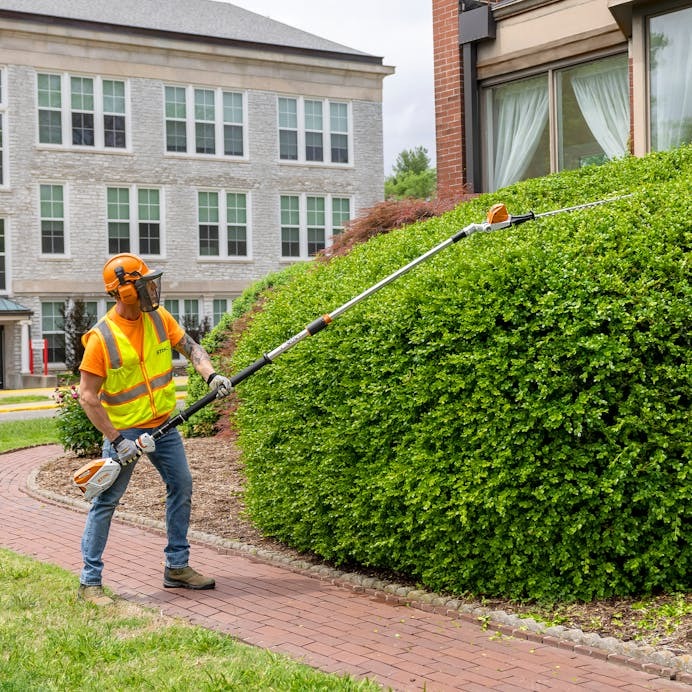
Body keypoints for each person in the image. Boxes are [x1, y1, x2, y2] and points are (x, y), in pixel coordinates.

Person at [77, 252, 231, 605]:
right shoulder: (102, 338)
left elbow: (190, 347)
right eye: (145, 283)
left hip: (164, 424)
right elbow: (87, 396)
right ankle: (90, 583)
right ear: (125, 291)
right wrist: (117, 441)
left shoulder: (158, 317)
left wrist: (211, 375)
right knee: (106, 502)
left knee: (182, 485)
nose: (153, 288)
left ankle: (177, 567)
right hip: (124, 434)